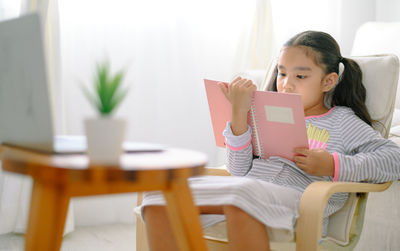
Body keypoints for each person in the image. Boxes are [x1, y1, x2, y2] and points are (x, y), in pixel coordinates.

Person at [141, 31, 400, 251]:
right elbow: (238, 170)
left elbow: (393, 159)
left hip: (300, 202)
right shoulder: (262, 111)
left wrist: (332, 165)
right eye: (282, 73)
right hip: (249, 192)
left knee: (242, 193)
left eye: (300, 76)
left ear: (328, 81)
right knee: (161, 193)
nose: (286, 84)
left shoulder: (341, 121)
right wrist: (239, 115)